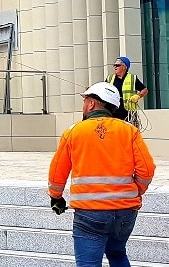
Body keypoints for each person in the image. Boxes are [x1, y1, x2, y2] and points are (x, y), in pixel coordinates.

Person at [48, 82, 155, 267]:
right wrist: (136, 191)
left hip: (90, 212)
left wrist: (56, 197)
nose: (83, 106)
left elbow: (57, 172)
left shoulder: (73, 132)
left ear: (91, 104)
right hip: (125, 211)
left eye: (85, 101)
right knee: (118, 254)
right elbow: (147, 169)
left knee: (88, 264)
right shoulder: (129, 131)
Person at [106, 56, 148, 124]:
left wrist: (138, 96)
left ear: (125, 67)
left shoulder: (132, 78)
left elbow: (145, 90)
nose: (115, 67)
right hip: (113, 111)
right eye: (114, 65)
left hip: (128, 112)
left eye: (117, 65)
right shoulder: (110, 78)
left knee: (130, 132)